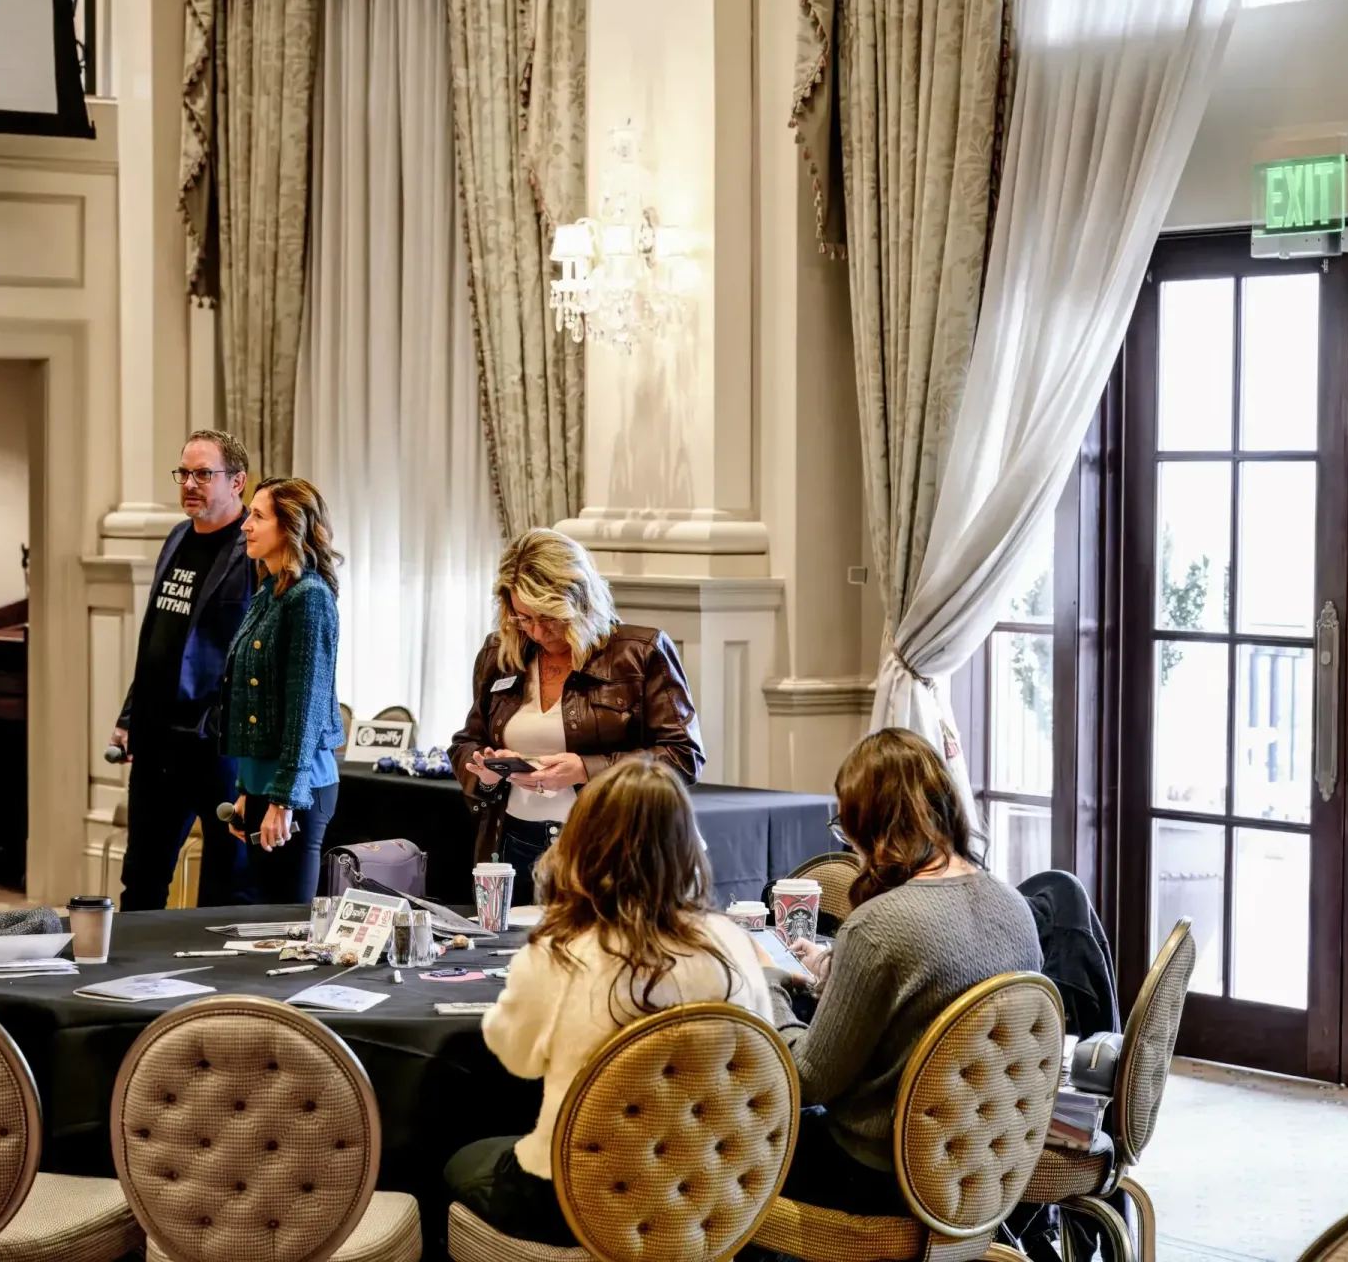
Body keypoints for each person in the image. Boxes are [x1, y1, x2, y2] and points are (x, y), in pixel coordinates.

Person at [444, 757, 772, 1246]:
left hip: (583, 1197)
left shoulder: (560, 949)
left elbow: (514, 1055)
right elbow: (757, 1060)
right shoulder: (733, 943)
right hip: (714, 1191)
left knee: (455, 1160)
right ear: (687, 846)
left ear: (581, 843)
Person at [770, 728, 1043, 1217]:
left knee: (726, 1139)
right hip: (991, 1165)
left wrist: (769, 986)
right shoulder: (1015, 906)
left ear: (870, 825)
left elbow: (809, 1080)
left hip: (882, 1178)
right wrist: (836, 971)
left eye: (844, 824)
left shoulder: (876, 928)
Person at [450, 528, 702, 904]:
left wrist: (586, 769)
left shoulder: (639, 652)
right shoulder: (500, 654)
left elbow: (683, 757)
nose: (536, 631)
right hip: (514, 844)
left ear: (579, 601)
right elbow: (468, 741)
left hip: (610, 847)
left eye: (549, 617)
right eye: (524, 617)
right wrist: (485, 769)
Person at [111, 429, 256, 910]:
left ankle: (214, 983)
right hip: (156, 738)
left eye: (203, 474)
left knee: (226, 879)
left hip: (214, 740)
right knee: (142, 877)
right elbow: (157, 638)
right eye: (184, 473)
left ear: (237, 482)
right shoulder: (176, 537)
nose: (189, 484)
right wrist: (130, 716)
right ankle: (132, 980)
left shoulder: (251, 550)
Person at [219, 477, 346, 904]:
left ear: (289, 527)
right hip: (263, 788)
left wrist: (284, 800)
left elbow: (304, 707)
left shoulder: (309, 597)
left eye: (257, 516)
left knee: (291, 927)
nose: (245, 526)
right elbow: (250, 701)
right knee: (266, 925)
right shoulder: (269, 590)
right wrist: (244, 788)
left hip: (298, 790)